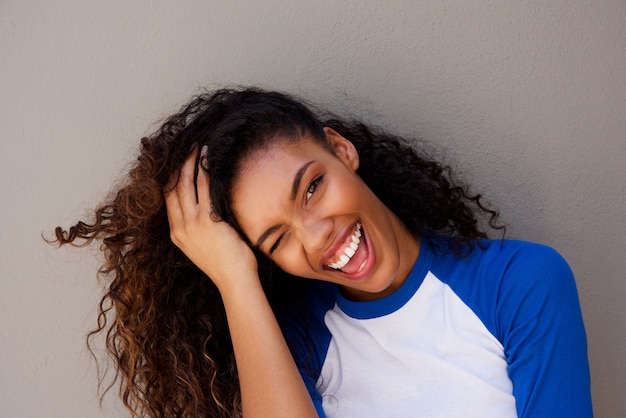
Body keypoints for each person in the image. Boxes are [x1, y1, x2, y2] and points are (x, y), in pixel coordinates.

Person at [53, 87, 592, 417]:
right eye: (277, 240)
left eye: (311, 188)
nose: (317, 237)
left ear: (342, 150)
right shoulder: (296, 345)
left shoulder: (521, 283)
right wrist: (236, 279)